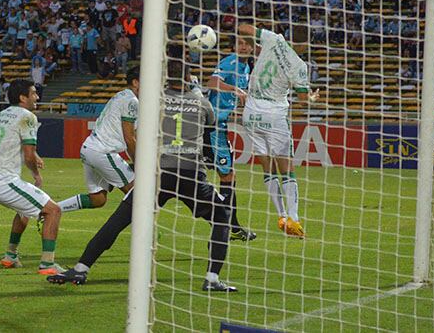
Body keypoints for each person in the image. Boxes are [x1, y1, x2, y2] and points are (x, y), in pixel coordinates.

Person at [48, 50, 238, 292]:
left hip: (158, 175)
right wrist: (197, 92)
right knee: (222, 217)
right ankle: (212, 278)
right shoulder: (202, 102)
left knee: (118, 221)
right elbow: (210, 126)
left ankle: (81, 268)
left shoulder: (152, 100)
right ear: (190, 76)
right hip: (190, 173)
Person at [238, 23, 319, 238]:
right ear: (306, 44)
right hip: (274, 113)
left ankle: (281, 214)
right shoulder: (299, 65)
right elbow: (303, 100)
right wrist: (310, 97)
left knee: (267, 165)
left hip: (251, 111)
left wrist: (254, 45)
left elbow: (242, 27)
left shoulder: (274, 40)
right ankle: (294, 218)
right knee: (286, 167)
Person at [0, 79, 64, 275]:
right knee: (53, 210)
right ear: (22, 97)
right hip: (3, 181)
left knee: (24, 211)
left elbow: (14, 143)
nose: (37, 97)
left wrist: (34, 155)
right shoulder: (28, 116)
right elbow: (27, 154)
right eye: (34, 93)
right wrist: (36, 174)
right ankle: (47, 264)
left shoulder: (3, 114)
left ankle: (10, 256)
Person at [58, 67, 138, 213]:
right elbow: (129, 138)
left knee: (98, 199)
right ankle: (142, 234)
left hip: (90, 148)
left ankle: (51, 210)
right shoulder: (132, 101)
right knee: (137, 194)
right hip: (103, 151)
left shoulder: (122, 96)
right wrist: (139, 163)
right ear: (136, 82)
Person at [206, 35, 257, 241]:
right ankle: (228, 228)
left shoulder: (246, 68)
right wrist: (235, 90)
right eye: (240, 44)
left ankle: (229, 226)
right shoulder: (230, 62)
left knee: (224, 176)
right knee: (227, 176)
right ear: (234, 46)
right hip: (212, 128)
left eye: (248, 44)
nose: (244, 47)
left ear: (253, 48)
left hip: (219, 126)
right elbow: (212, 82)